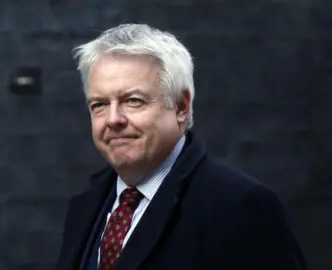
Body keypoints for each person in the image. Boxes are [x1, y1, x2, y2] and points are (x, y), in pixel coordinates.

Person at [54, 23, 306, 270]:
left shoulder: (242, 208)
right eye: (99, 105)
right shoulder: (86, 205)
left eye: (133, 100)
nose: (113, 119)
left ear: (181, 106)